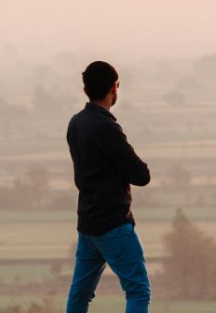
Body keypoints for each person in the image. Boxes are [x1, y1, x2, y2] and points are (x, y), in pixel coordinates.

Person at [65, 61, 151, 313]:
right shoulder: (107, 127)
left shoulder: (76, 123)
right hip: (113, 225)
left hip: (88, 224)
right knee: (138, 290)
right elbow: (140, 175)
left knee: (79, 296)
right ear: (114, 88)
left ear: (85, 90)